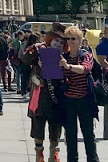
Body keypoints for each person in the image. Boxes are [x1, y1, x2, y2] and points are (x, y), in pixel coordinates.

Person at [21, 23, 66, 162]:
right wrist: (35, 52)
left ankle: (54, 154)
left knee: (55, 126)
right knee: (38, 124)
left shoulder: (65, 56)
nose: (58, 44)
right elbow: (25, 59)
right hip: (39, 95)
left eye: (61, 42)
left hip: (56, 96)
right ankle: (39, 154)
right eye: (56, 40)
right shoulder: (40, 49)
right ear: (50, 39)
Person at [59, 25, 99, 162]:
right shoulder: (63, 57)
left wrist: (68, 67)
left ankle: (92, 160)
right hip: (68, 101)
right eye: (68, 39)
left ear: (80, 40)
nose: (70, 41)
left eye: (73, 38)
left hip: (84, 100)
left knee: (88, 134)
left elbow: (86, 68)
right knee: (70, 136)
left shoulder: (86, 55)